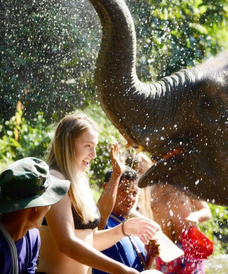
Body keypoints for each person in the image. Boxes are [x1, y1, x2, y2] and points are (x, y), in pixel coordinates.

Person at [36, 113, 158, 274]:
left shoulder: (81, 181)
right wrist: (121, 270)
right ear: (68, 143)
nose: (93, 155)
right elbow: (66, 244)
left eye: (94, 147)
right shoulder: (54, 179)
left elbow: (90, 242)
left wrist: (123, 230)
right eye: (88, 146)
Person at [93, 167, 160, 274]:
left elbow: (140, 272)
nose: (130, 198)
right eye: (125, 190)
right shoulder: (100, 223)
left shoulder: (133, 229)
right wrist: (116, 174)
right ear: (108, 188)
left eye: (134, 193)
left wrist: (150, 256)